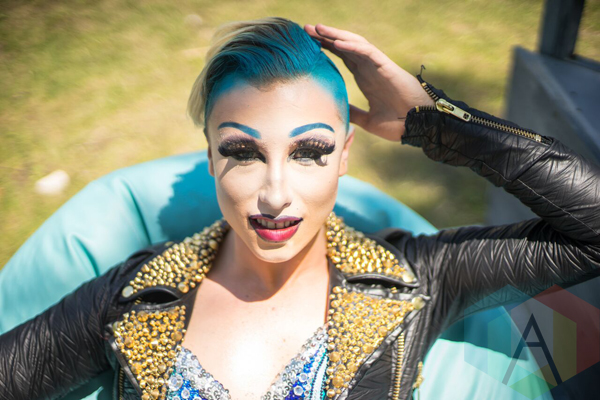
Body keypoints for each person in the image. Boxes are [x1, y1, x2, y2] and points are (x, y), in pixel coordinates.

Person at [1, 16, 599, 400]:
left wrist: (434, 123)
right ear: (210, 157)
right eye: (242, 153)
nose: (275, 194)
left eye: (309, 152)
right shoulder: (131, 297)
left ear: (345, 155)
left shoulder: (420, 279)